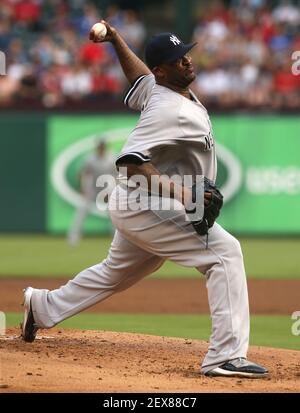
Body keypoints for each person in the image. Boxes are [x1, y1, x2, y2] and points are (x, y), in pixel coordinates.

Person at [21, 20, 268, 379]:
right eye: (177, 58)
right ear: (163, 70)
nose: (187, 60)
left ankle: (40, 307)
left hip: (138, 205)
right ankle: (225, 356)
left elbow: (139, 79)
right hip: (145, 205)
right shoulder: (167, 108)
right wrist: (185, 195)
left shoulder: (161, 88)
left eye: (186, 53)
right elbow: (130, 163)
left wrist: (117, 38)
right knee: (225, 253)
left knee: (114, 273)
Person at [67, 139, 116, 246]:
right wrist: (82, 188)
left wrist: (114, 190)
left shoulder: (111, 158)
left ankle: (116, 240)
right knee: (81, 212)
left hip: (107, 189)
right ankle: (73, 238)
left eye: (103, 146)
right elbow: (81, 173)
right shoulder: (90, 159)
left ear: (105, 147)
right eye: (100, 146)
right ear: (97, 147)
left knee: (114, 215)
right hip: (92, 189)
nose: (101, 148)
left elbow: (117, 174)